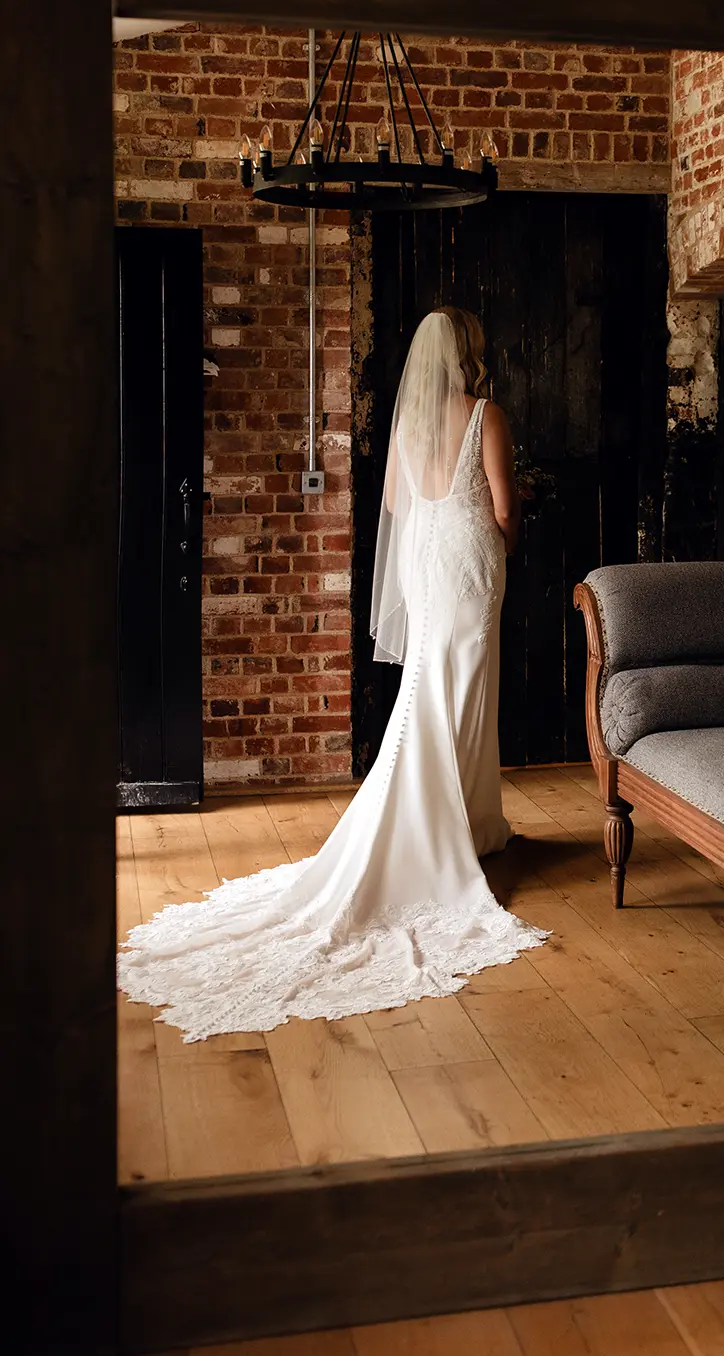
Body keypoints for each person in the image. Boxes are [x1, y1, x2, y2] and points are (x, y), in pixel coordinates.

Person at [118, 307, 547, 1041]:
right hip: (473, 568)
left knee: (429, 691)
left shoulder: (411, 429)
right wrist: (510, 524)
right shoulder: (487, 415)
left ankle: (470, 821)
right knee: (468, 694)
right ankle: (456, 828)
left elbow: (395, 509)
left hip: (427, 568)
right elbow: (504, 510)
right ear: (472, 354)